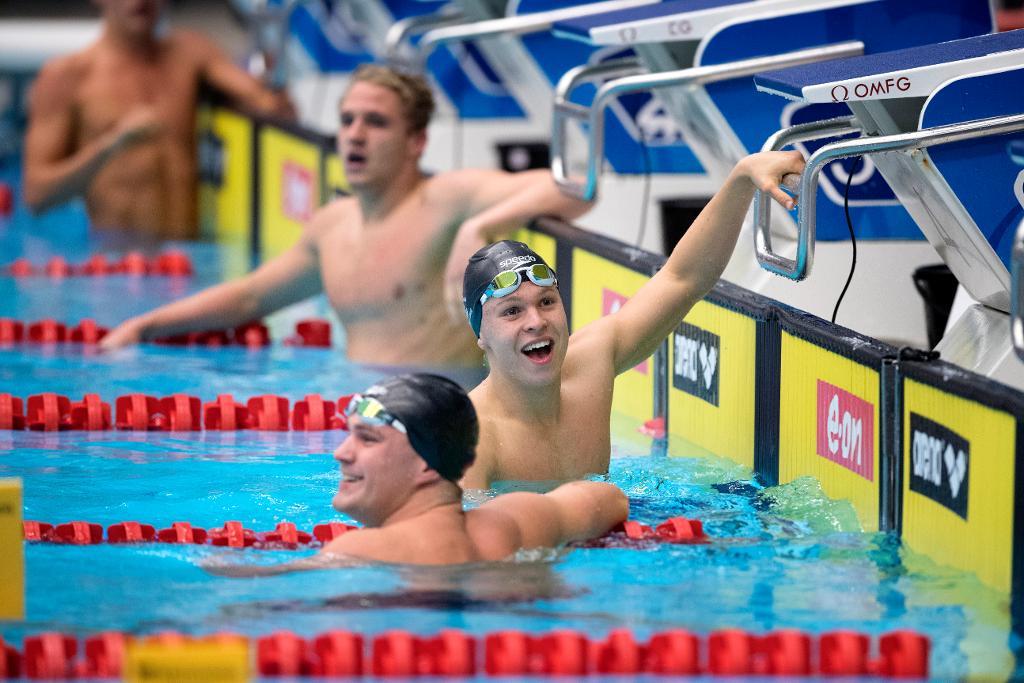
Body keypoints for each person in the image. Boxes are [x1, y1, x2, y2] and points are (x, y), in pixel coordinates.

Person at [99, 64, 593, 366]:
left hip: (442, 412)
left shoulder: (446, 199)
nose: (355, 134)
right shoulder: (332, 225)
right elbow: (249, 295)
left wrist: (478, 227)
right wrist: (142, 327)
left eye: (376, 123)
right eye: (348, 120)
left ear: (415, 142)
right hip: (362, 411)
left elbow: (576, 186)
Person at [459, 150, 807, 488]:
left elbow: (682, 279)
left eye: (547, 301)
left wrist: (742, 178)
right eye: (512, 311)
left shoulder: (591, 364)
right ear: (482, 335)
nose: (536, 321)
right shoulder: (471, 442)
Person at [206, 373, 628, 575]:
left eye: (367, 440)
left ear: (427, 463)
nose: (340, 454)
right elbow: (609, 499)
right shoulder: (518, 520)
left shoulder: (360, 550)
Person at [22, 0, 295, 240]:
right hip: (119, 263)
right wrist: (111, 145)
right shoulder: (67, 78)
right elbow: (36, 195)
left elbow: (267, 103)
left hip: (191, 259)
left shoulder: (191, 54)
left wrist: (271, 96)